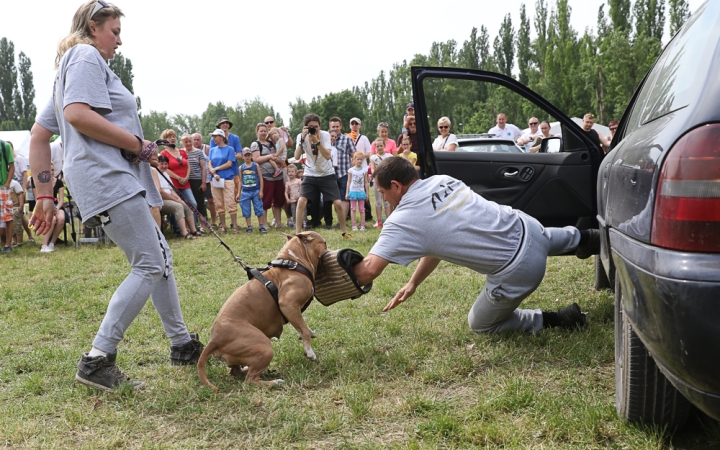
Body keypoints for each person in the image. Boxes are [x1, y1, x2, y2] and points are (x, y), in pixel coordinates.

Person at [29, 0, 203, 391]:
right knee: (148, 263)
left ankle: (181, 345)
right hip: (106, 176)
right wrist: (138, 144)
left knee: (161, 257)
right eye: (115, 31)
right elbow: (76, 113)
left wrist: (44, 194)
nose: (119, 42)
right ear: (94, 26)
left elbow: (40, 135)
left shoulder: (72, 67)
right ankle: (97, 359)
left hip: (106, 177)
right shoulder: (86, 54)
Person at [352, 157, 599, 335]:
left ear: (396, 185)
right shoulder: (442, 179)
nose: (383, 199)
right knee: (538, 236)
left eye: (383, 192)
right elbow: (436, 244)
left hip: (519, 268)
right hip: (528, 225)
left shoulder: (403, 218)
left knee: (479, 324)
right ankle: (587, 238)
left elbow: (368, 271)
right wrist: (413, 282)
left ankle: (559, 318)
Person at [294, 113, 351, 238]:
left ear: (320, 126)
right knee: (302, 200)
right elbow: (297, 156)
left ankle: (344, 232)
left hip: (327, 174)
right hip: (310, 174)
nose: (314, 129)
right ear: (305, 127)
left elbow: (327, 156)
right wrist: (302, 140)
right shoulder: (300, 136)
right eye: (310, 127)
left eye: (316, 126)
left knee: (338, 203)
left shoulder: (325, 135)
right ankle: (297, 234)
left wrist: (317, 142)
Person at [152, 155, 200, 239]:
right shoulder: (154, 173)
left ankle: (193, 230)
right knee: (178, 206)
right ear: (157, 164)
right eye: (161, 164)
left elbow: (171, 190)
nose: (164, 166)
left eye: (166, 164)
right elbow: (161, 192)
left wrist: (178, 198)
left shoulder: (165, 174)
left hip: (170, 198)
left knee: (186, 205)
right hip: (161, 200)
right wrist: (175, 200)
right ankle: (184, 233)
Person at [251, 122, 285, 229]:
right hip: (265, 176)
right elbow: (256, 159)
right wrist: (269, 156)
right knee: (265, 200)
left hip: (278, 176)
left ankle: (278, 223)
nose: (263, 133)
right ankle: (264, 223)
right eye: (261, 131)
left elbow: (282, 147)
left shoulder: (271, 143)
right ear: (257, 132)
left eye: (265, 131)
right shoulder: (256, 144)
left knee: (279, 199)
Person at [208, 128, 239, 233]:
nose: (213, 138)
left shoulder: (230, 149)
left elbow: (229, 163)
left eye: (215, 136)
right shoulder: (212, 150)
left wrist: (216, 169)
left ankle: (234, 226)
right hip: (215, 180)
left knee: (230, 202)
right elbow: (210, 163)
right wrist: (214, 173)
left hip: (227, 179)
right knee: (218, 203)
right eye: (213, 136)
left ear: (221, 137)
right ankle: (223, 226)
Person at [159, 129, 197, 211]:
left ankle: (193, 224)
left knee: (192, 204)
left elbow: (188, 166)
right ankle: (178, 224)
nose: (172, 138)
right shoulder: (163, 153)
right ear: (165, 140)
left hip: (185, 183)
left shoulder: (182, 151)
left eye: (173, 136)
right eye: (169, 137)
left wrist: (186, 177)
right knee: (178, 204)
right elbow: (165, 169)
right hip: (173, 184)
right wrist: (178, 178)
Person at [346, 117, 373, 223]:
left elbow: (369, 152)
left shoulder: (364, 138)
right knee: (352, 188)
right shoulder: (347, 137)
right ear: (349, 126)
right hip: (351, 168)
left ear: (360, 125)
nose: (354, 125)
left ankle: (367, 214)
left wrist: (359, 156)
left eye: (356, 123)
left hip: (363, 167)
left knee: (364, 189)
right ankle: (349, 214)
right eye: (352, 123)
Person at [329, 117, 356, 222]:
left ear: (340, 126)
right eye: (333, 126)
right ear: (329, 127)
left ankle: (342, 221)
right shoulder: (325, 139)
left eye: (337, 126)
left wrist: (351, 170)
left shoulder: (347, 139)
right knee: (334, 198)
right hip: (329, 174)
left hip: (344, 172)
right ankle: (332, 219)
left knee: (344, 197)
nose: (335, 128)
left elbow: (354, 155)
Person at [239, 148, 267, 234]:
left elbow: (261, 178)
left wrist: (261, 191)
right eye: (245, 156)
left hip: (256, 191)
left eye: (249, 155)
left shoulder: (256, 166)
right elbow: (240, 181)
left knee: (259, 208)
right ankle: (249, 227)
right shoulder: (241, 168)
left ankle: (261, 226)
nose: (247, 157)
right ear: (243, 157)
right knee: (246, 209)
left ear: (251, 156)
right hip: (245, 191)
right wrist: (238, 193)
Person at [182, 134, 207, 232]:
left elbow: (204, 168)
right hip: (185, 182)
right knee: (189, 204)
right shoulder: (181, 152)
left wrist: (204, 182)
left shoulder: (199, 152)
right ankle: (190, 226)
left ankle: (203, 226)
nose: (188, 143)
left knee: (200, 203)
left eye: (189, 141)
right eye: (186, 142)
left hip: (197, 180)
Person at [193, 132, 217, 228]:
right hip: (197, 180)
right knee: (199, 202)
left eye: (198, 139)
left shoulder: (207, 149)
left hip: (208, 179)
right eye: (194, 140)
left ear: (201, 140)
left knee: (211, 201)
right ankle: (203, 222)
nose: (196, 141)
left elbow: (213, 161)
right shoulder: (190, 151)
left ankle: (214, 221)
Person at [369, 137, 394, 228]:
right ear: (375, 147)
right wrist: (376, 174)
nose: (379, 147)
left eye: (381, 146)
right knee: (378, 201)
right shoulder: (373, 157)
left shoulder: (389, 156)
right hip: (377, 180)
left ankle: (388, 220)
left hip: (387, 180)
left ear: (384, 146)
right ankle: (379, 221)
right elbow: (372, 168)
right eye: (377, 146)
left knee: (387, 201)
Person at [346, 151, 369, 231]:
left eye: (361, 159)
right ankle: (354, 225)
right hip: (353, 192)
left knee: (362, 209)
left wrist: (367, 193)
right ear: (354, 159)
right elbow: (348, 182)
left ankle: (363, 226)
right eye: (358, 159)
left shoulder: (364, 170)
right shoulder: (351, 170)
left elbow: (366, 182)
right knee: (353, 209)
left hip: (361, 192)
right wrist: (347, 192)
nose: (359, 161)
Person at [0, 139, 16, 253]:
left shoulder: (4, 146)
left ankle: (8, 244)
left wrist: (6, 184)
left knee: (8, 217)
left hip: (2, 188)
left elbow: (12, 166)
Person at [284, 164, 301, 229]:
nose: (290, 173)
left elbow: (302, 188)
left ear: (295, 173)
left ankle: (303, 221)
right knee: (294, 212)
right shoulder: (287, 183)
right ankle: (295, 223)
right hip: (292, 200)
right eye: (289, 171)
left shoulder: (298, 181)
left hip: (299, 199)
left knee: (302, 211)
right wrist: (287, 198)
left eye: (292, 171)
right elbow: (285, 192)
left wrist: (299, 194)